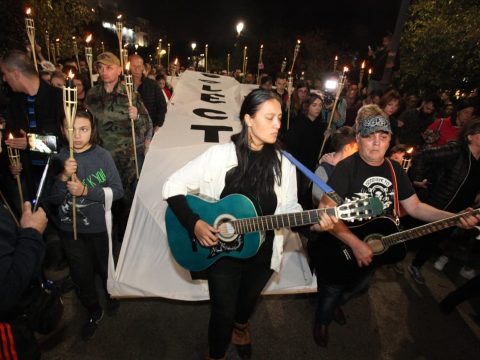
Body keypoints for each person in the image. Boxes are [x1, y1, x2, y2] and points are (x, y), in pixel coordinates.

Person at [162, 89, 336, 360]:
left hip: (263, 252)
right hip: (223, 252)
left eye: (280, 117)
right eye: (270, 118)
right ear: (249, 119)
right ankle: (216, 354)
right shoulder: (219, 155)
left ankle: (241, 327)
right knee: (222, 312)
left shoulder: (284, 164)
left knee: (246, 303)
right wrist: (194, 223)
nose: (278, 124)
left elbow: (290, 209)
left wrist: (315, 224)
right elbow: (172, 185)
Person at [311, 105, 480, 347]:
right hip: (341, 246)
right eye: (369, 136)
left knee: (357, 287)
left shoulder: (395, 169)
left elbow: (416, 208)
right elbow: (326, 211)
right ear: (358, 139)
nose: (376, 143)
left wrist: (453, 216)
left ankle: (338, 305)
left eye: (383, 136)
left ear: (390, 139)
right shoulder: (347, 168)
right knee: (331, 290)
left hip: (375, 248)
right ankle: (322, 321)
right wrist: (355, 243)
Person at [50, 106, 124, 340]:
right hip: (70, 231)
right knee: (81, 274)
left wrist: (85, 191)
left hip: (99, 229)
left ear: (92, 130)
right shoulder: (59, 157)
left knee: (104, 267)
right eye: (71, 129)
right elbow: (50, 199)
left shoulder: (102, 156)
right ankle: (93, 309)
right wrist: (62, 177)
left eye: (84, 129)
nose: (77, 135)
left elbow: (118, 191)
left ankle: (111, 294)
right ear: (63, 130)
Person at [85, 52, 153, 242]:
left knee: (124, 203)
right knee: (102, 200)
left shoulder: (130, 93)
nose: (104, 72)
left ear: (119, 69)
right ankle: (104, 240)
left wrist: (136, 117)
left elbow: (147, 125)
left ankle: (125, 243)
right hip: (100, 160)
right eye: (100, 68)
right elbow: (85, 125)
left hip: (125, 162)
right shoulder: (92, 95)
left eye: (109, 67)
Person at [407, 118, 480, 284]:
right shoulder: (456, 149)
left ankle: (416, 265)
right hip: (437, 203)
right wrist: (417, 178)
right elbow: (423, 156)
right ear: (470, 136)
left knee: (435, 240)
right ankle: (393, 258)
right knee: (415, 235)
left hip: (458, 210)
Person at [311, 126, 357, 207]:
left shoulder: (352, 166)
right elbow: (317, 198)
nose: (358, 151)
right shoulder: (323, 170)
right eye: (356, 147)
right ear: (347, 148)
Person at [129, 54, 167, 132]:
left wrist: (158, 123)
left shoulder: (152, 84)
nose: (136, 69)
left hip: (148, 128)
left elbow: (162, 105)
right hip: (129, 129)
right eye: (133, 66)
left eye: (139, 66)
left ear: (143, 67)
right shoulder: (122, 85)